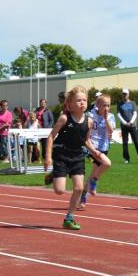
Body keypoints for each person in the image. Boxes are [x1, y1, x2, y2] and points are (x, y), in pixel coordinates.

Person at [44, 86, 107, 230]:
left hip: (77, 156)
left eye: (84, 100)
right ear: (70, 103)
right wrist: (48, 157)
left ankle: (69, 218)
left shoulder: (89, 121)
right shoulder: (64, 118)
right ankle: (55, 174)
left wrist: (94, 151)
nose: (82, 103)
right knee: (60, 190)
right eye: (78, 100)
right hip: (62, 155)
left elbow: (86, 140)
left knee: (79, 188)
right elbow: (51, 136)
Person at [80, 94, 114, 209]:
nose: (106, 108)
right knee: (107, 163)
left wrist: (105, 118)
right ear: (97, 105)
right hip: (92, 147)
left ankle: (84, 194)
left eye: (108, 105)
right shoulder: (91, 115)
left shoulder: (110, 116)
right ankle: (94, 181)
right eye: (104, 105)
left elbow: (111, 131)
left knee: (93, 172)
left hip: (104, 148)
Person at [117, 88, 138, 163]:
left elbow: (135, 113)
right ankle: (126, 159)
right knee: (125, 143)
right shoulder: (120, 104)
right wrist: (125, 123)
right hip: (124, 126)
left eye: (126, 94)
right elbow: (118, 114)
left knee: (137, 142)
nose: (124, 95)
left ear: (128, 94)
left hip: (132, 126)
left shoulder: (132, 103)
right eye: (123, 94)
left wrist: (130, 122)